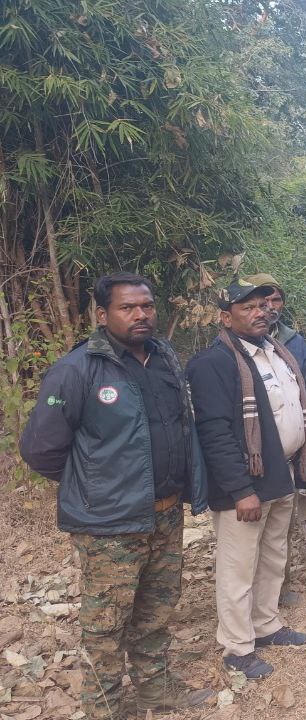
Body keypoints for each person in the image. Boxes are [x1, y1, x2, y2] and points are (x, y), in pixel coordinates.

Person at [19, 272, 214, 719]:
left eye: (146, 305)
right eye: (128, 308)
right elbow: (40, 449)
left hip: (165, 514)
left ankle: (156, 694)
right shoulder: (77, 370)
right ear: (103, 315)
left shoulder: (164, 357)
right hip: (109, 524)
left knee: (157, 610)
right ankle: (103, 706)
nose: (140, 314)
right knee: (106, 624)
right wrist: (95, 487)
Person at [186, 278, 306, 680]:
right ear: (225, 316)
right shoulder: (214, 364)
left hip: (282, 472)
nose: (261, 312)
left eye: (263, 305)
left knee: (273, 555)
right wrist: (241, 490)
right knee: (239, 565)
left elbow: (292, 406)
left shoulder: (277, 352)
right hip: (245, 483)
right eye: (248, 307)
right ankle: (238, 647)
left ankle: (266, 624)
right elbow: (215, 433)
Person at [240, 273, 306, 607]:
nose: (268, 308)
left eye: (274, 301)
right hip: (254, 459)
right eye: (259, 302)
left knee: (281, 531)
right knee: (250, 539)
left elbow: (304, 395)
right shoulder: (231, 349)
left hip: (289, 450)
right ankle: (251, 607)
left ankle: (277, 591)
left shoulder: (291, 341)